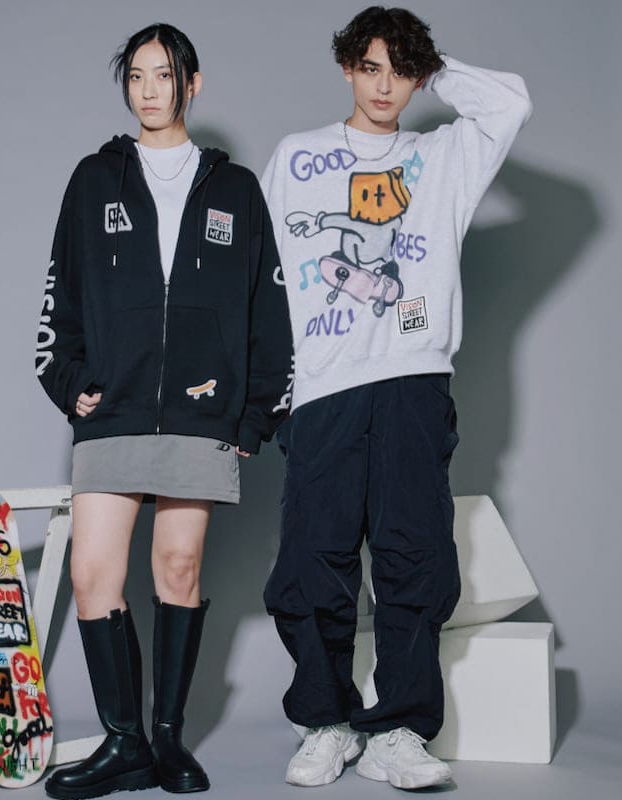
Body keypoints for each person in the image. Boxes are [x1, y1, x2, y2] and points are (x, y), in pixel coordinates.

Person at [261, 5, 532, 791]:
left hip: (413, 380)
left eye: (402, 71)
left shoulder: (443, 156)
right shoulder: (297, 156)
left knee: (415, 559)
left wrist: (433, 65)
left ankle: (400, 730)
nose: (385, 87)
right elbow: (261, 278)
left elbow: (508, 102)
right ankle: (326, 721)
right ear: (347, 68)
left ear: (419, 78)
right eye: (372, 67)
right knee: (312, 563)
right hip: (321, 387)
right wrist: (270, 392)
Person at [36, 22, 292, 799]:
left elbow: (268, 309)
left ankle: (169, 739)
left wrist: (255, 414)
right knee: (92, 575)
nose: (149, 91)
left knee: (177, 569)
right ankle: (125, 744)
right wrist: (65, 377)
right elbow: (60, 292)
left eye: (163, 75)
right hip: (114, 407)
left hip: (201, 410)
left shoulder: (235, 189)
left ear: (193, 82)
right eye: (137, 77)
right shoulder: (94, 179)